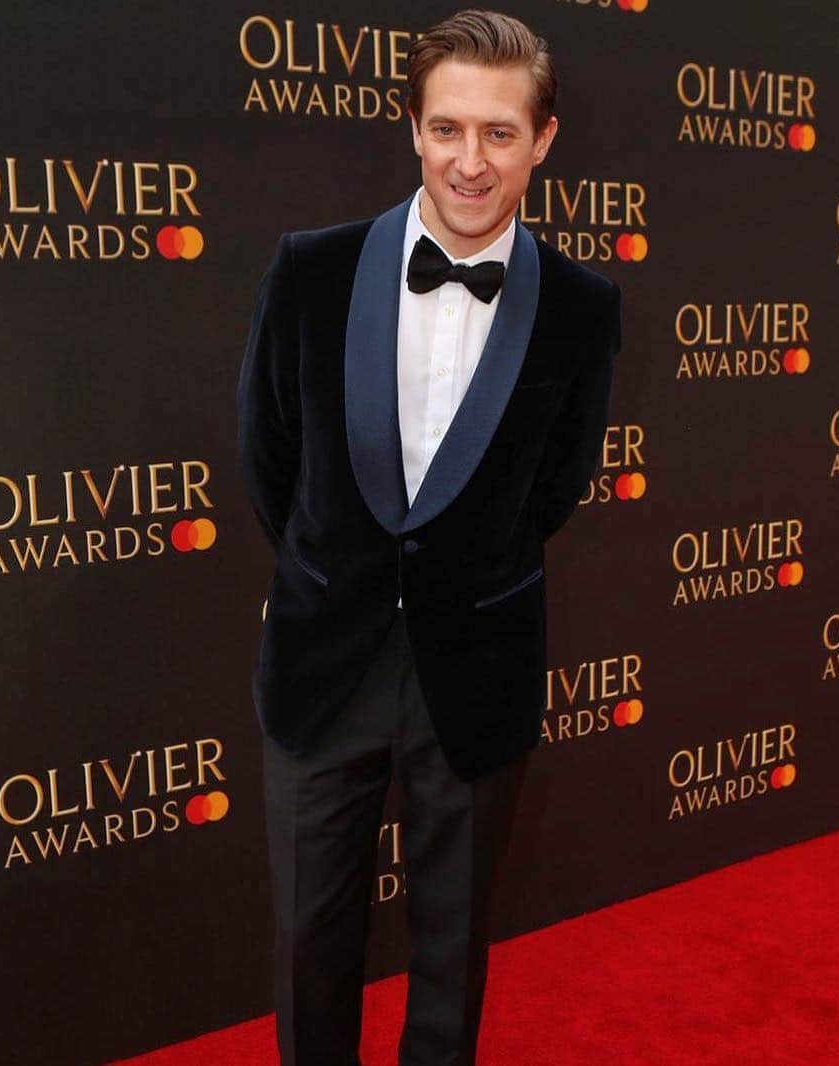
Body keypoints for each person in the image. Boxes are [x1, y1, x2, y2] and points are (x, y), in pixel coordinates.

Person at [236, 9, 622, 1064]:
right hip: (326, 659)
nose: (469, 160)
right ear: (411, 126)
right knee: (311, 939)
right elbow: (269, 457)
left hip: (478, 661)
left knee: (452, 949)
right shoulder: (310, 271)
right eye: (447, 128)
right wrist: (339, 569)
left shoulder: (585, 309)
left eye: (499, 133)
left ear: (542, 141)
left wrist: (454, 574)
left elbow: (555, 488)